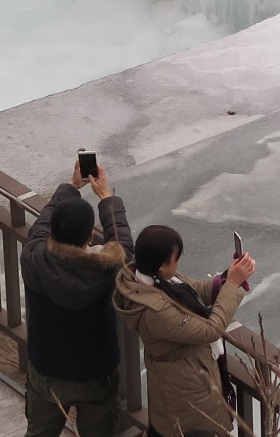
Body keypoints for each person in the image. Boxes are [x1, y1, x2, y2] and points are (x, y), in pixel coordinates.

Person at [21, 157, 134, 437]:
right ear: (89, 237)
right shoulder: (106, 270)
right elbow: (124, 250)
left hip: (47, 370)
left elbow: (41, 224)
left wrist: (71, 186)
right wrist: (107, 198)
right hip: (97, 371)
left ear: (53, 233)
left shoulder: (34, 258)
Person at [115, 224, 255, 437]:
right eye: (176, 258)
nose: (178, 263)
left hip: (184, 378)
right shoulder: (155, 310)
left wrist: (229, 276)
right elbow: (211, 329)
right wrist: (233, 286)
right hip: (183, 390)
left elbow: (197, 290)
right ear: (162, 265)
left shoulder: (159, 280)